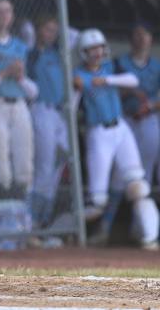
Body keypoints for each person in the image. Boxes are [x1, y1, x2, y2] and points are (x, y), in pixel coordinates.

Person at [74, 29, 159, 249]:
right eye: (92, 49)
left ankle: (149, 239)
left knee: (138, 186)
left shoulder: (111, 68)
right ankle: (67, 230)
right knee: (97, 202)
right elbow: (73, 102)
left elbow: (133, 79)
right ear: (84, 53)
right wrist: (79, 86)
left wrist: (106, 80)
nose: (97, 53)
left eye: (100, 48)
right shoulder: (79, 75)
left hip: (121, 129)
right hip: (98, 133)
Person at [0, 0, 38, 199]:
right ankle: (0, 204)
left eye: (7, 11)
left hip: (19, 105)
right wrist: (4, 73)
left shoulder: (21, 46)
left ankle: (24, 212)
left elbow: (33, 90)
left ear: (13, 16)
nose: (3, 16)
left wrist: (19, 77)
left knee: (24, 162)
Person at [26, 14, 68, 247]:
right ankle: (32, 223)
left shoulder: (57, 54)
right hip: (40, 110)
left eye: (53, 30)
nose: (49, 34)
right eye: (46, 29)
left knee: (58, 164)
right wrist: (32, 34)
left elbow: (75, 36)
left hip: (59, 113)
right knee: (43, 166)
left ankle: (43, 223)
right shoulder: (32, 54)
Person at [116, 22, 160, 186]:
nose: (142, 39)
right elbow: (106, 91)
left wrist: (151, 106)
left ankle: (140, 211)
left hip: (148, 118)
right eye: (137, 34)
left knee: (145, 168)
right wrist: (128, 92)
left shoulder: (157, 65)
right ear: (130, 39)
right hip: (124, 118)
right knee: (120, 170)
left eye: (145, 35)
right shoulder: (119, 62)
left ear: (151, 39)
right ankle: (114, 211)